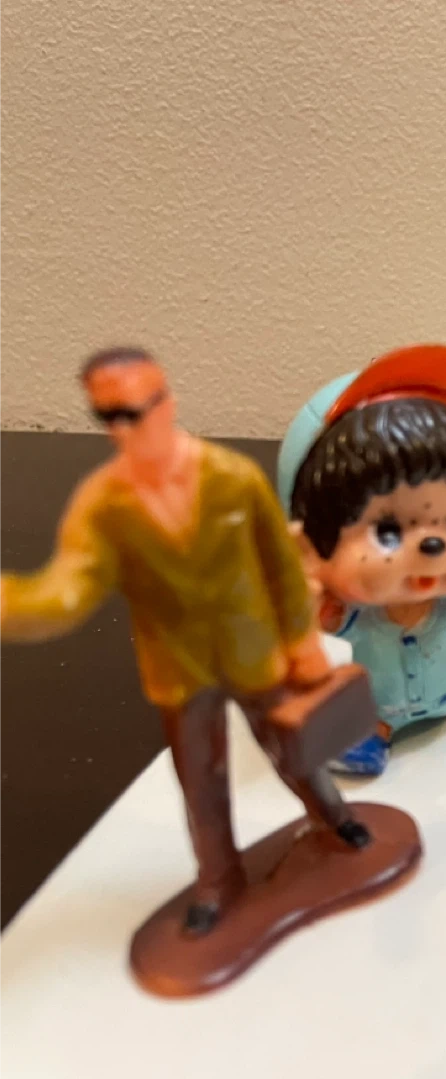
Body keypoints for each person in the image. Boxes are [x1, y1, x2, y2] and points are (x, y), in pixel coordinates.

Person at [0, 347, 370, 935]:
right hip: (179, 669)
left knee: (293, 746)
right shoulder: (104, 506)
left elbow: (281, 564)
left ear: (166, 402)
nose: (126, 427)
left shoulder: (232, 476)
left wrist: (304, 645)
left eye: (136, 410)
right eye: (110, 416)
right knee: (200, 780)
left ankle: (333, 817)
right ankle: (218, 879)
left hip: (256, 651)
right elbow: (66, 592)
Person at [288, 346, 446, 776]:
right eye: (387, 532)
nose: (431, 548)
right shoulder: (349, 616)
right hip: (376, 709)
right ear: (309, 550)